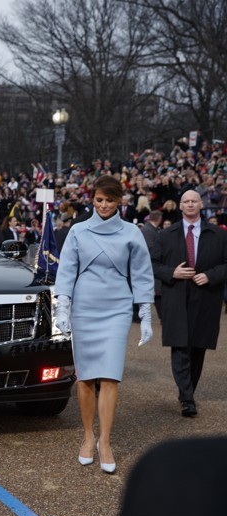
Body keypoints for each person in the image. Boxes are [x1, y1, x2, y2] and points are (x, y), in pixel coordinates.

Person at [54, 176, 154, 474]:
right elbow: (67, 268)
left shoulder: (131, 233)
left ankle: (105, 441)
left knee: (110, 376)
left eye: (110, 200)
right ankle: (87, 437)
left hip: (117, 308)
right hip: (84, 308)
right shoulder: (78, 231)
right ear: (92, 199)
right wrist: (63, 305)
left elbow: (141, 272)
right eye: (99, 200)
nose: (104, 205)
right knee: (85, 377)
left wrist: (146, 312)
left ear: (119, 201)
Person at [150, 189, 227, 418]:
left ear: (201, 204)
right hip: (176, 296)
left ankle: (188, 391)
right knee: (180, 347)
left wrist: (211, 276)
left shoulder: (219, 235)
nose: (191, 204)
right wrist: (172, 272)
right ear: (180, 206)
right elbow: (152, 264)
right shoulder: (165, 235)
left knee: (198, 348)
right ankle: (186, 398)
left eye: (194, 201)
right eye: (186, 201)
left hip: (205, 297)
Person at [140, 210, 163, 319]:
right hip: (149, 265)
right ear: (159, 219)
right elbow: (150, 249)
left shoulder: (150, 229)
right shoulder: (148, 230)